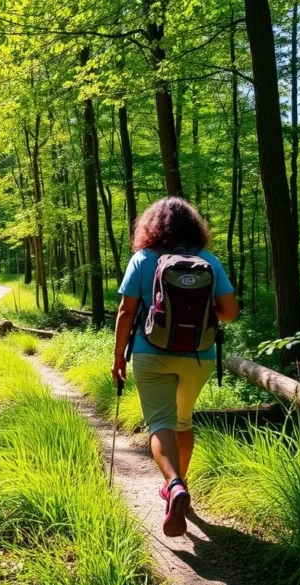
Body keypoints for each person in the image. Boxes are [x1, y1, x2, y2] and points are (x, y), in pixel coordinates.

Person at [110, 197, 239, 538]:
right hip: (200, 355)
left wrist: (119, 356)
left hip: (150, 352)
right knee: (183, 421)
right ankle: (181, 483)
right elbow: (230, 312)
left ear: (150, 227)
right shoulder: (207, 260)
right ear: (194, 227)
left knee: (160, 423)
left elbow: (126, 312)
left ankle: (174, 485)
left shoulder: (142, 259)